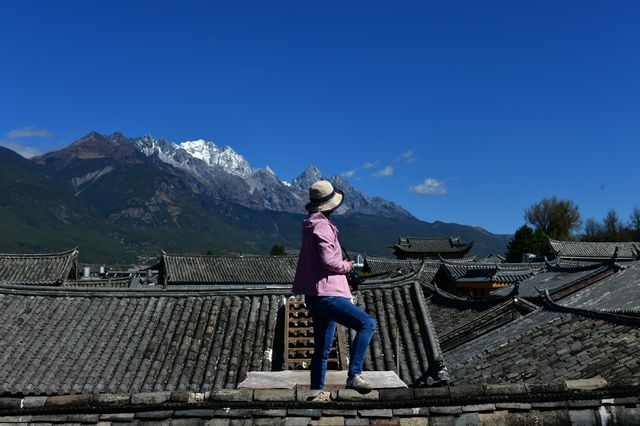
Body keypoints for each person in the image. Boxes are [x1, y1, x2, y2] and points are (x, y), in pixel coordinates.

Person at [293, 180, 377, 392]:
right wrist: (348, 266)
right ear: (331, 206)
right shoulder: (322, 226)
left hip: (314, 295)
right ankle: (355, 374)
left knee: (322, 348)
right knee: (367, 324)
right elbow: (328, 261)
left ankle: (316, 391)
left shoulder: (309, 225)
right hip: (328, 294)